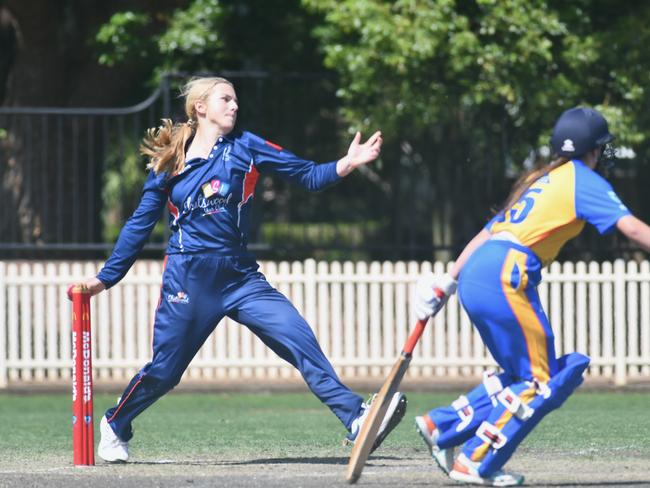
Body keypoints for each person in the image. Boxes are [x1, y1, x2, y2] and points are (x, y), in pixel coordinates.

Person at [70, 76, 406, 462]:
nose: (234, 106)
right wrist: (105, 278)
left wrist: (347, 163)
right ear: (200, 107)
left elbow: (309, 176)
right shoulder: (169, 162)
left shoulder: (246, 147)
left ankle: (356, 418)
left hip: (241, 276)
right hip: (189, 278)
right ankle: (116, 423)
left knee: (297, 336)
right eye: (225, 99)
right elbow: (139, 225)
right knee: (165, 371)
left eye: (235, 100)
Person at [411, 107, 650, 486]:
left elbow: (487, 234)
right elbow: (633, 230)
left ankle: (444, 425)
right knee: (542, 381)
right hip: (506, 274)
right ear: (592, 150)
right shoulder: (581, 179)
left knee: (531, 374)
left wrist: (447, 280)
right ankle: (476, 461)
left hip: (480, 272)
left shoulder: (541, 181)